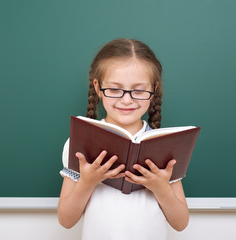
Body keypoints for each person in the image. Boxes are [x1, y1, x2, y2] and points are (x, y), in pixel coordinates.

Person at [58, 38, 189, 240]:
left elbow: (180, 223)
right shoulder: (79, 142)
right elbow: (66, 220)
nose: (126, 100)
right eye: (114, 89)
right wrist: (87, 181)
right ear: (97, 87)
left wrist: (161, 188)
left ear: (153, 90)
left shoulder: (165, 145)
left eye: (138, 90)